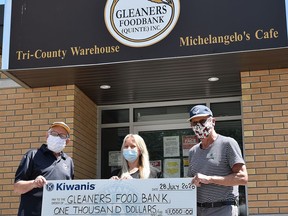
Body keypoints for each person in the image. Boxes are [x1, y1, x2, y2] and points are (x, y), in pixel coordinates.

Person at [187, 105, 248, 216]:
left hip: (223, 209)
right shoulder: (193, 152)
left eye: (202, 121)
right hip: (198, 210)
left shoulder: (227, 144)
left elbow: (242, 178)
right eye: (194, 123)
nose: (198, 126)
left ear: (213, 121)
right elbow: (190, 182)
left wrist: (210, 179)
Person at [14, 122, 74, 216]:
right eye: (54, 134)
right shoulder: (32, 155)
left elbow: (69, 191)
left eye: (62, 136)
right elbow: (17, 188)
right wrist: (34, 183)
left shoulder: (68, 161)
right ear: (47, 136)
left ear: (67, 141)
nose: (57, 137)